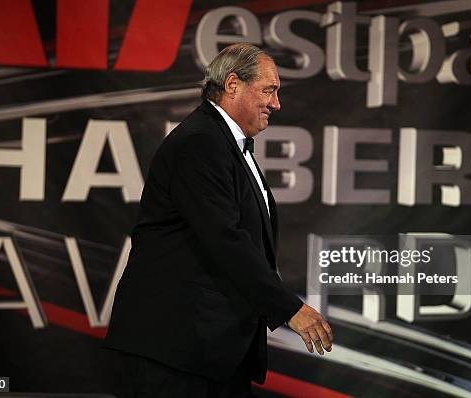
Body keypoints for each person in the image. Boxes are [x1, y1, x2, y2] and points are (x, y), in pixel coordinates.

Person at [104, 43, 333, 397]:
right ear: (232, 85)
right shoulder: (200, 143)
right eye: (269, 90)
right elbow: (225, 239)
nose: (276, 104)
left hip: (210, 352)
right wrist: (289, 309)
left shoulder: (223, 143)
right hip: (175, 351)